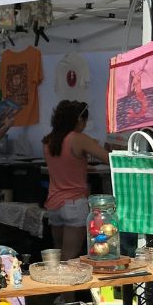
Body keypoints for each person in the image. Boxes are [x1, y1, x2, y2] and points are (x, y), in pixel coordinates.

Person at [44, 100, 109, 260]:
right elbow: (108, 159)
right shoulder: (78, 138)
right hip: (74, 204)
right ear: (79, 120)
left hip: (53, 204)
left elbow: (64, 165)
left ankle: (55, 285)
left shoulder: (49, 140)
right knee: (71, 257)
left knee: (58, 256)